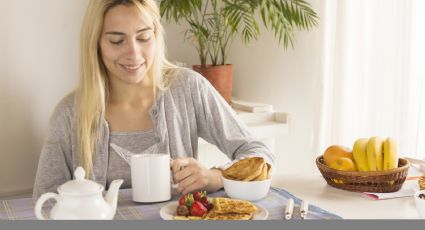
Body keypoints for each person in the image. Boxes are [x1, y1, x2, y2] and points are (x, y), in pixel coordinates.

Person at [33, 0, 275, 200]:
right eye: (117, 41)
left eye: (144, 37)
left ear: (156, 35)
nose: (134, 53)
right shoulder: (70, 113)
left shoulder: (188, 88)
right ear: (96, 44)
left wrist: (215, 177)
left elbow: (260, 154)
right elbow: (43, 202)